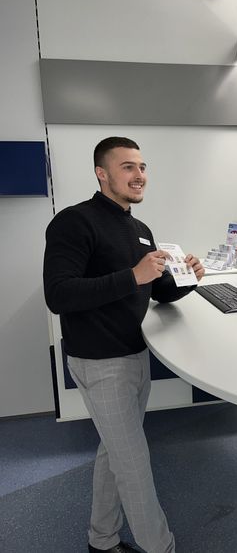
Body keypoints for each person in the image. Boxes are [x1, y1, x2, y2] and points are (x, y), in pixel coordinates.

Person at [43, 137, 204, 553]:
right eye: (128, 167)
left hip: (134, 354)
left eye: (142, 167)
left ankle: (101, 539)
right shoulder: (73, 222)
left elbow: (157, 291)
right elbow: (58, 294)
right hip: (100, 361)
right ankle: (160, 547)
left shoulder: (140, 230)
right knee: (134, 465)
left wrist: (188, 279)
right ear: (102, 173)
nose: (139, 175)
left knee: (114, 453)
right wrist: (132, 276)